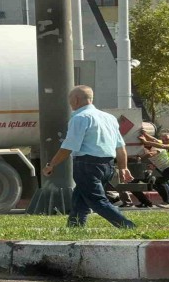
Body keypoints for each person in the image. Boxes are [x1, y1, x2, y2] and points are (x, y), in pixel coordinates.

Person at [42, 85, 136, 229]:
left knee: (97, 201)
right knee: (80, 199)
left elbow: (68, 146)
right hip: (107, 166)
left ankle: (128, 226)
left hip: (86, 165)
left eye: (70, 100)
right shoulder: (109, 118)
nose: (69, 103)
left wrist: (51, 164)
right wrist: (123, 167)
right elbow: (120, 146)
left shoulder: (80, 118)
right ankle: (75, 228)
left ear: (76, 99)